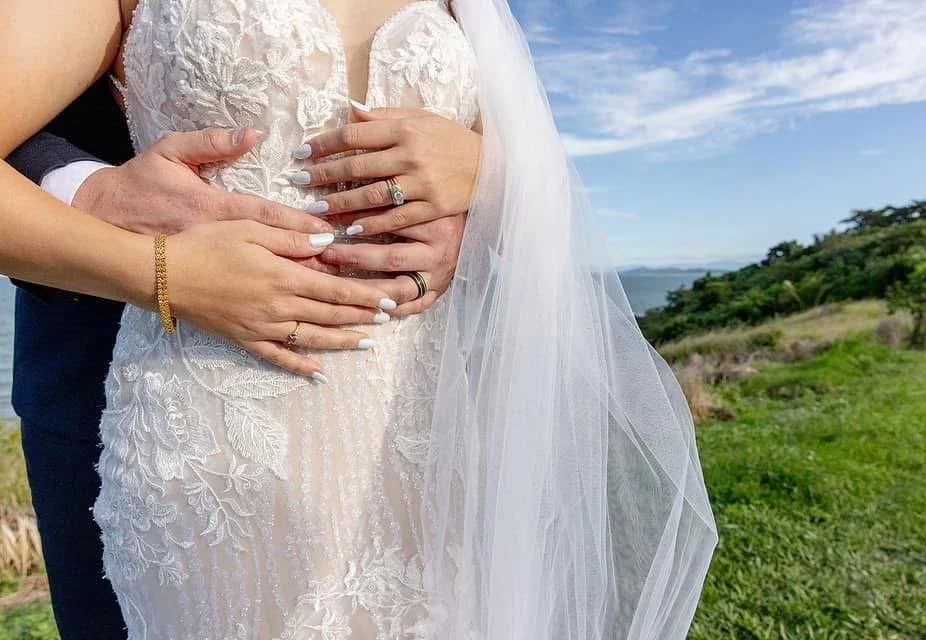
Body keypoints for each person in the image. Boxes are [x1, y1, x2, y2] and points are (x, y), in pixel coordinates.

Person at [0, 0, 718, 638]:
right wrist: (163, 272)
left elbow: (537, 193)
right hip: (213, 428)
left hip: (426, 425)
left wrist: (485, 172)